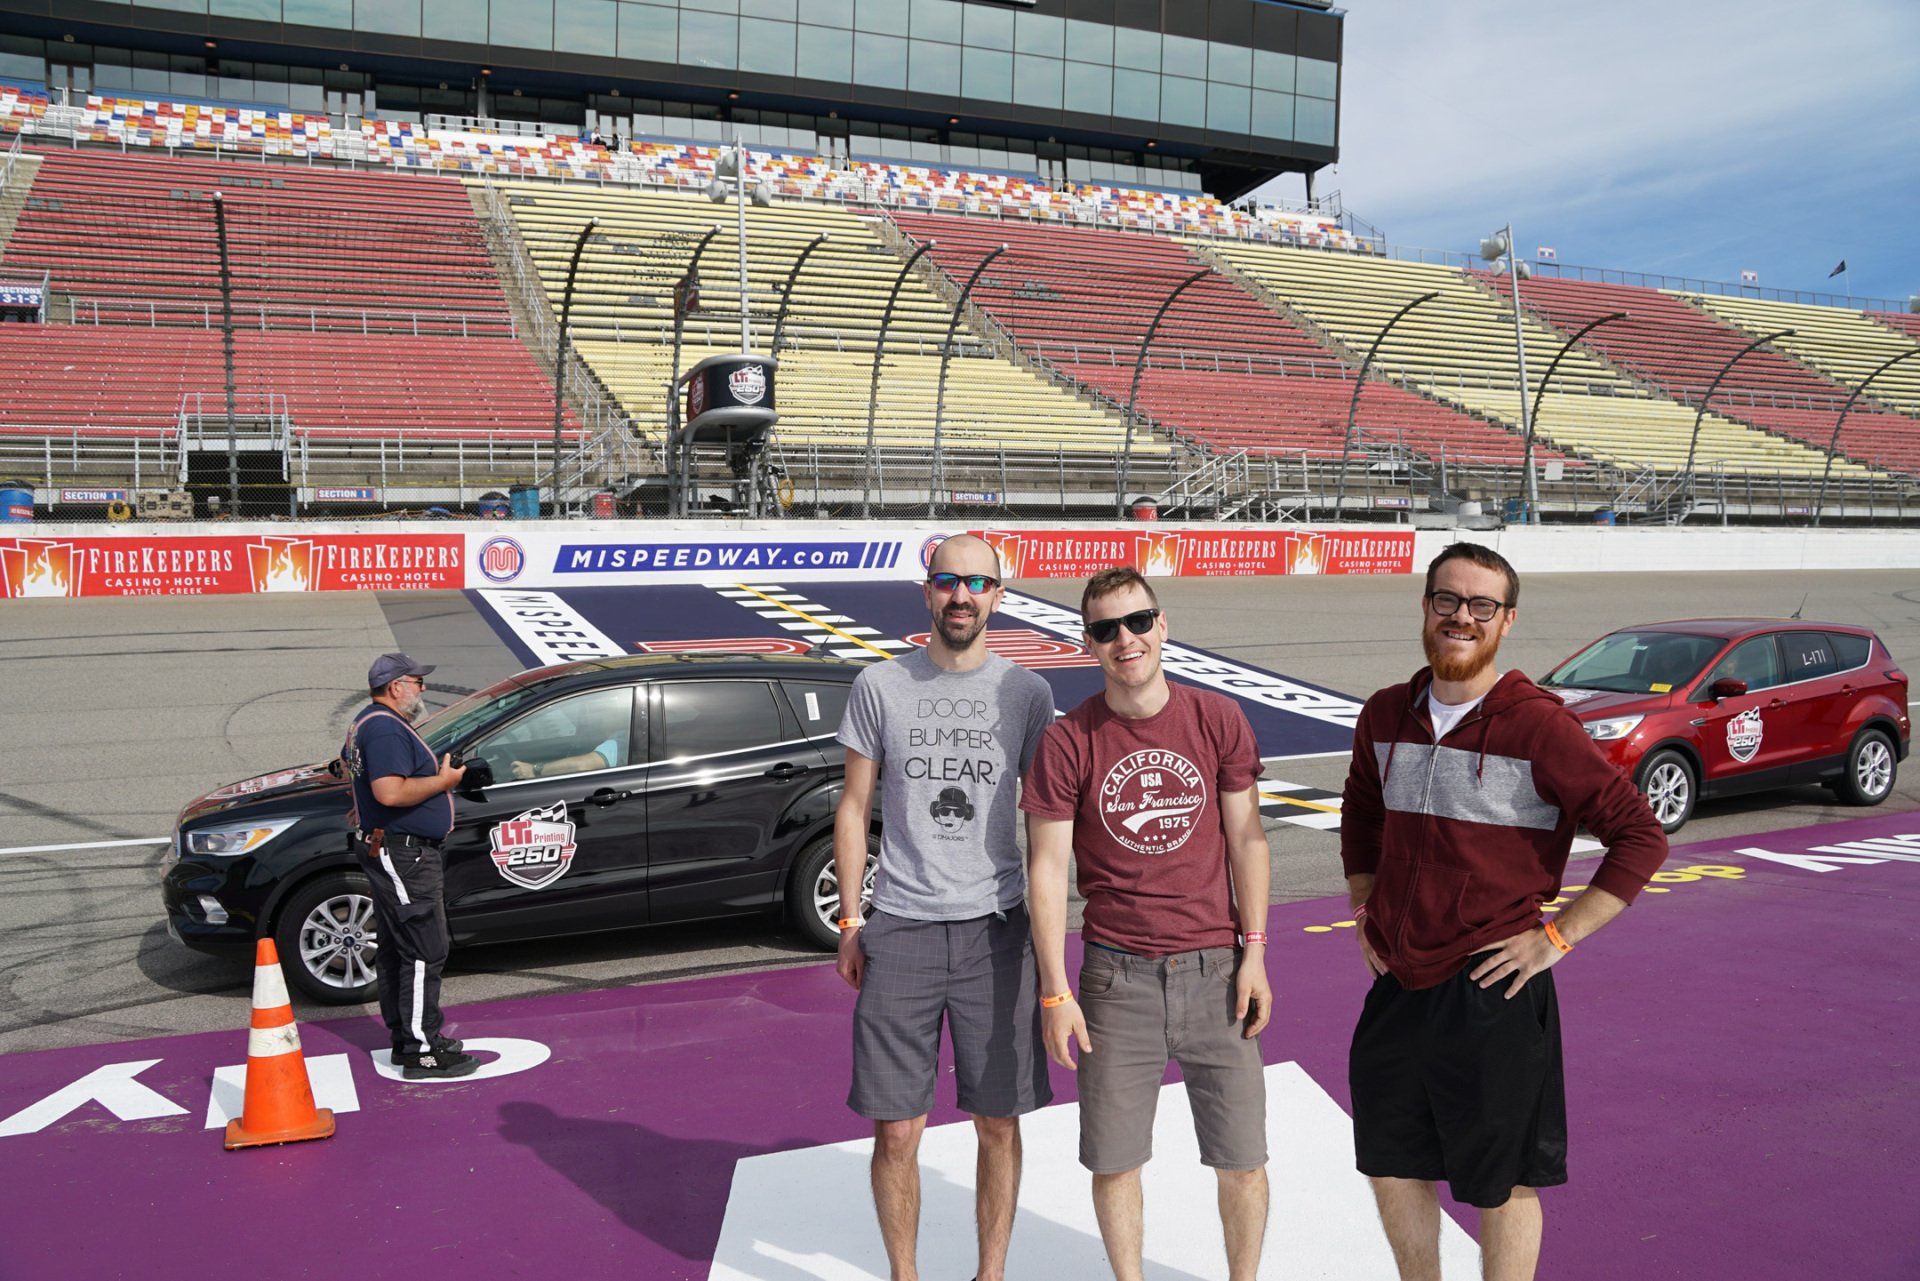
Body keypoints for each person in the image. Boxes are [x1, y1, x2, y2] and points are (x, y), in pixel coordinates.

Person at [1340, 543, 1669, 1281]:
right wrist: (1364, 901)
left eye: (1481, 605)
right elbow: (1361, 810)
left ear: (1506, 619)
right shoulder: (1385, 712)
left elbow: (1640, 837)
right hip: (1399, 984)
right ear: (1425, 607)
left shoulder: (1540, 726)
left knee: (1503, 1182)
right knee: (1391, 1164)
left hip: (1494, 990)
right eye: (1447, 600)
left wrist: (1558, 936)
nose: (1462, 616)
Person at [1023, 566, 1275, 1281]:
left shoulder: (1217, 717)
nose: (1124, 640)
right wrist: (1054, 988)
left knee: (1243, 1159)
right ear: (1089, 644)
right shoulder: (1068, 741)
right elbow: (1046, 867)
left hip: (1216, 972)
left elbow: (1248, 838)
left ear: (1162, 625)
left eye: (1137, 622)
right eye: (1105, 630)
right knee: (1114, 1161)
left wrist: (1254, 951)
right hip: (1114, 978)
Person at [833, 533, 1056, 1281]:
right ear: (926, 592)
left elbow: (1046, 822)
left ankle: (990, 1273)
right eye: (948, 580)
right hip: (901, 927)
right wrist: (851, 920)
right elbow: (854, 804)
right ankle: (906, 1274)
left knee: (998, 1122)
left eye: (978, 582)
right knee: (897, 1130)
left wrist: (1053, 935)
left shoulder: (1027, 693)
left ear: (999, 595)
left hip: (999, 931)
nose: (962, 595)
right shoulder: (880, 685)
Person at [341, 652, 478, 1081]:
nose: (422, 690)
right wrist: (445, 782)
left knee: (401, 946)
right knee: (424, 947)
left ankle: (406, 1037)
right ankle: (422, 1049)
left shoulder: (366, 721)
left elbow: (344, 766)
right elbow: (389, 792)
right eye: (418, 682)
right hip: (405, 853)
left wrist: (359, 806)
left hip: (391, 846)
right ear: (396, 686)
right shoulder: (384, 728)